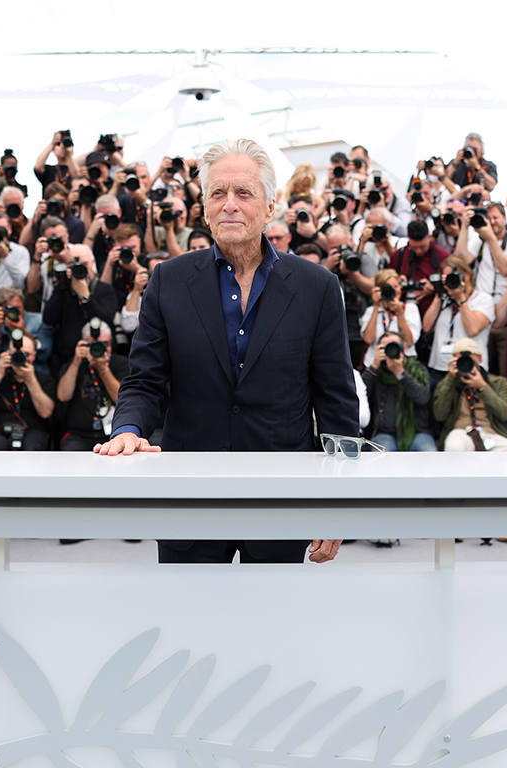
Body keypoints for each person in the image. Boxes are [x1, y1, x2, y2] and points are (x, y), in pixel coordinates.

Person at [97, 138, 358, 565]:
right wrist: (127, 429)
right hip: (189, 494)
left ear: (271, 207)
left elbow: (336, 400)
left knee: (270, 628)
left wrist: (339, 500)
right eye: (218, 193)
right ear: (203, 208)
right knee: (187, 627)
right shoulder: (168, 281)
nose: (230, 204)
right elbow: (144, 381)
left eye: (244, 193)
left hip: (280, 499)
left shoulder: (317, 287)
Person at [434, 338, 507, 452]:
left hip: (491, 434)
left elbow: (505, 414)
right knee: (453, 446)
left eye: (469, 359)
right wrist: (450, 379)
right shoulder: (449, 383)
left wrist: (483, 387)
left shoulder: (498, 382)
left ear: (479, 358)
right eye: (460, 359)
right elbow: (439, 415)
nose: (465, 363)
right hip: (461, 432)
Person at [0, 331, 54, 451]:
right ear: (8, 354)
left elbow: (46, 412)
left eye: (27, 354)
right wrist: (0, 372)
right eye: (17, 354)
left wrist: (31, 380)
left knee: (31, 448)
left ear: (34, 355)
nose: (22, 358)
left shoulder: (44, 379)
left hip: (33, 430)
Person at [421, 260, 493, 387]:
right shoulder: (444, 298)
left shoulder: (483, 299)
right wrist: (439, 294)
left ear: (467, 275)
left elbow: (473, 329)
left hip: (469, 368)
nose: (450, 281)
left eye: (452, 277)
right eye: (446, 278)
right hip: (439, 368)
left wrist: (460, 298)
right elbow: (427, 327)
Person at [57, 321, 128, 451]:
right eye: (93, 345)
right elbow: (62, 396)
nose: (99, 349)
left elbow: (122, 399)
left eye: (104, 344)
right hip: (79, 434)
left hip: (113, 434)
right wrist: (76, 362)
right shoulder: (76, 364)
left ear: (111, 343)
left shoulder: (121, 364)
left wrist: (103, 369)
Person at [362, 332, 435, 452]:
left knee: (429, 454)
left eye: (394, 346)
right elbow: (361, 394)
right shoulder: (376, 372)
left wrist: (400, 373)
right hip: (385, 433)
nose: (390, 351)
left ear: (404, 348)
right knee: (381, 458)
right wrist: (374, 366)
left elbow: (423, 398)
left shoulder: (417, 369)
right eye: (385, 348)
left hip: (418, 432)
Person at [360, 269, 421, 369]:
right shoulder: (371, 311)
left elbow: (409, 342)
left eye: (396, 286)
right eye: (388, 287)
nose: (393, 291)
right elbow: (368, 339)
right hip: (376, 364)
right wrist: (376, 307)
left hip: (402, 364)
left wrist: (400, 313)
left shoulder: (410, 309)